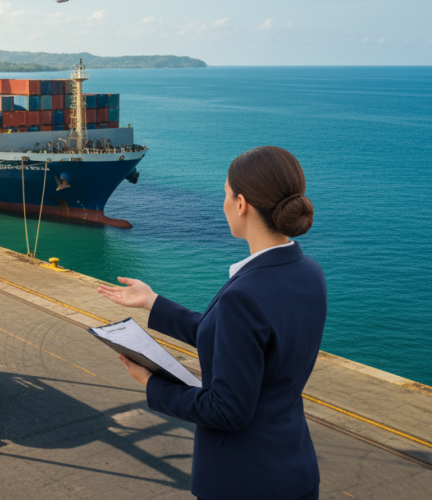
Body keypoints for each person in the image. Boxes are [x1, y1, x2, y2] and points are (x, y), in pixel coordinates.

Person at [98, 146, 325, 500]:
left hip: (242, 483)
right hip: (296, 472)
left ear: (241, 204)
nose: (223, 204)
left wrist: (150, 384)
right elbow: (236, 340)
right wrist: (153, 303)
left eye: (225, 194)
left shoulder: (245, 294)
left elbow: (227, 411)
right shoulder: (310, 273)